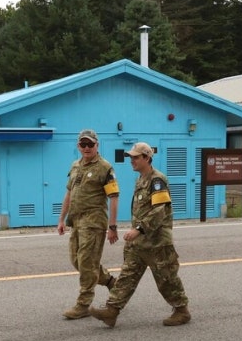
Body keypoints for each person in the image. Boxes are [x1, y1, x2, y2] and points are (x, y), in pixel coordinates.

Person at [89, 142, 191, 328]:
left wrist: (138, 229)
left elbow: (159, 210)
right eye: (131, 157)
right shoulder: (141, 180)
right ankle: (112, 311)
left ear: (147, 158)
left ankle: (181, 310)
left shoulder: (157, 180)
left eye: (136, 157)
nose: (132, 161)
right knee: (128, 275)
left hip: (157, 242)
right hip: (139, 242)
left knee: (166, 278)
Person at [58, 129, 120, 319]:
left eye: (90, 144)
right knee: (77, 261)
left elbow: (114, 197)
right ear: (78, 146)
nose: (86, 148)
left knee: (86, 263)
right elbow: (69, 193)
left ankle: (83, 304)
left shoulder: (105, 167)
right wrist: (62, 219)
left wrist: (112, 226)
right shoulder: (75, 165)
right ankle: (112, 283)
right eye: (83, 144)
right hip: (76, 220)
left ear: (97, 146)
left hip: (94, 222)